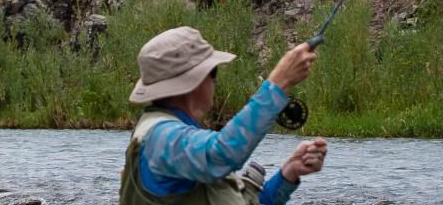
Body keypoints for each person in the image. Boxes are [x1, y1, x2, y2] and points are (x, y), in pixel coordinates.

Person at [119, 26, 328, 205]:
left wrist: (289, 173)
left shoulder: (177, 139)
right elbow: (222, 153)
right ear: (193, 82)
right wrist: (278, 84)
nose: (214, 81)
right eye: (213, 72)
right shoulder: (161, 138)